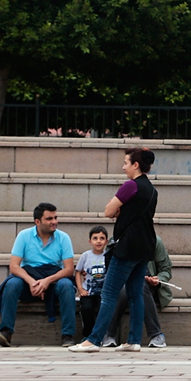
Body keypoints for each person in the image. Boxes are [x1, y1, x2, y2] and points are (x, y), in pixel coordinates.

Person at [69, 147, 158, 352]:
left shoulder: (130, 186)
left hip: (127, 247)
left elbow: (108, 212)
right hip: (145, 246)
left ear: (136, 165)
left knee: (109, 293)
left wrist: (115, 206)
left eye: (126, 163)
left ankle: (94, 339)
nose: (123, 167)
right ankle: (134, 340)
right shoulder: (152, 190)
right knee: (135, 293)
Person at [0, 202, 77, 347]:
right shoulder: (24, 236)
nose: (54, 222)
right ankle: (5, 331)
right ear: (37, 222)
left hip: (53, 280)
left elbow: (69, 269)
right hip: (29, 280)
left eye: (55, 218)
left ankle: (68, 335)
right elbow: (14, 266)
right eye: (49, 219)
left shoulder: (63, 238)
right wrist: (32, 281)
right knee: (12, 284)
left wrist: (47, 281)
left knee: (67, 285)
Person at [102, 236, 172, 348]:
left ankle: (156, 334)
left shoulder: (154, 241)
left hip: (148, 284)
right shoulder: (115, 242)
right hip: (122, 284)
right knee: (126, 289)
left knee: (139, 287)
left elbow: (166, 269)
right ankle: (109, 334)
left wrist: (158, 279)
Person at [75, 225, 109, 338]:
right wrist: (80, 289)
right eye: (95, 238)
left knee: (102, 310)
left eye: (101, 238)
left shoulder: (108, 256)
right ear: (90, 241)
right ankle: (87, 335)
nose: (98, 241)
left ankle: (101, 335)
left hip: (103, 292)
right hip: (88, 292)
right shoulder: (86, 256)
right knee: (86, 309)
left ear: (106, 241)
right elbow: (78, 272)